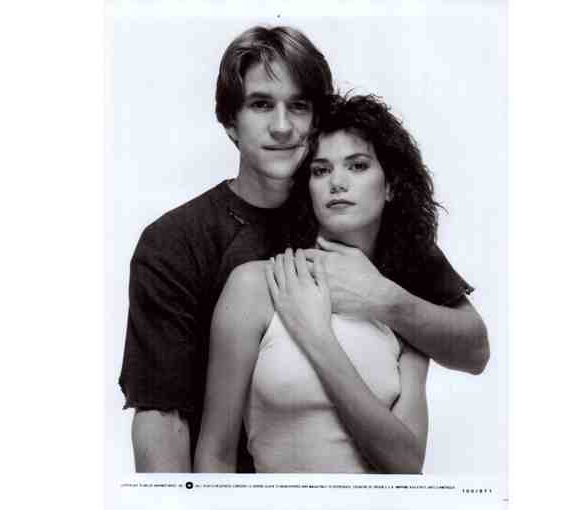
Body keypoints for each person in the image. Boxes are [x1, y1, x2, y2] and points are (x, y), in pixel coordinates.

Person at [119, 25, 488, 473]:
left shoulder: (358, 219)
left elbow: (473, 349)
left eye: (298, 106)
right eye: (260, 105)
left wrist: (383, 298)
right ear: (230, 122)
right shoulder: (176, 242)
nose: (281, 127)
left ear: (317, 118)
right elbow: (162, 417)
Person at [194, 94, 488, 473]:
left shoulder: (407, 300)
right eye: (320, 171)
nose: (337, 182)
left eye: (358, 166)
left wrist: (317, 336)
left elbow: (406, 465)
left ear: (391, 186)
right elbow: (215, 455)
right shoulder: (258, 285)